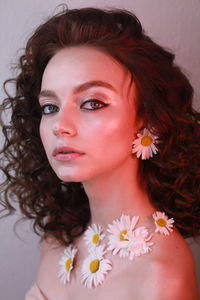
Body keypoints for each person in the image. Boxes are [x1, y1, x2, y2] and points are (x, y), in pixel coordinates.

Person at [0, 6, 199, 300]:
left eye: (92, 103)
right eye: (50, 107)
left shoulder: (159, 277)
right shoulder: (56, 242)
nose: (60, 126)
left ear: (150, 120)